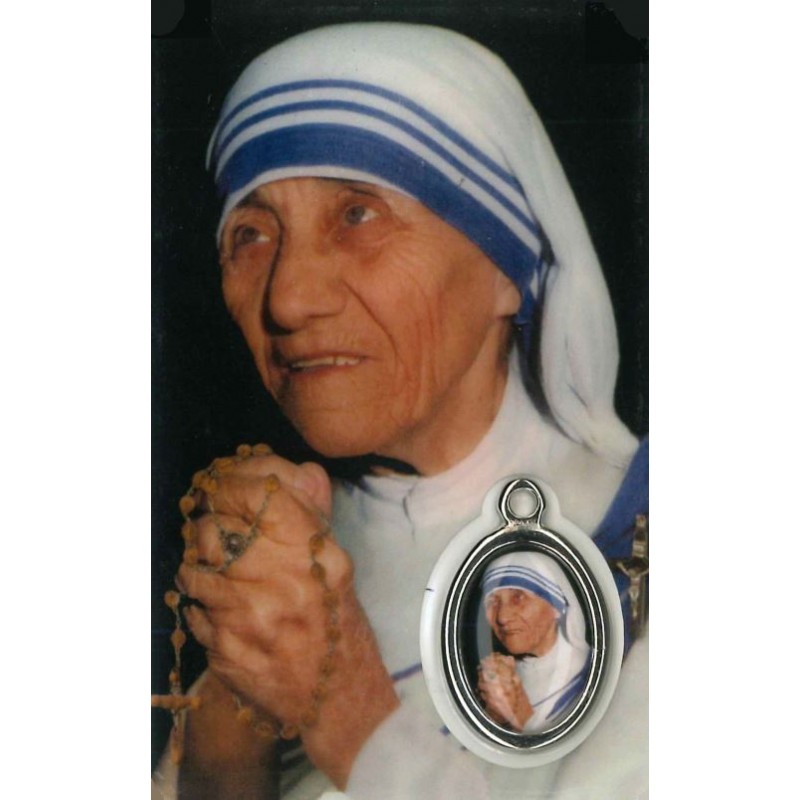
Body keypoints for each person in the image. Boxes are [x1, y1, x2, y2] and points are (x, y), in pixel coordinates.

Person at [152, 20, 648, 800]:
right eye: (250, 235)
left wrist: (346, 709)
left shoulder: (655, 543)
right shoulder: (285, 547)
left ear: (507, 268)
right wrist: (241, 682)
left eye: (358, 216)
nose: (288, 299)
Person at [478, 552, 591, 734]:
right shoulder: (505, 673)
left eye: (518, 598)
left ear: (556, 606)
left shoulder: (586, 674)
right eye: (493, 601)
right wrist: (494, 715)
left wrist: (518, 714)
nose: (502, 617)